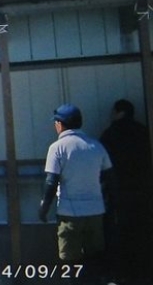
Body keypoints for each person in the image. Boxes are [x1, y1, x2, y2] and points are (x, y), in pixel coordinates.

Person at [39, 104, 115, 281]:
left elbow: (51, 182)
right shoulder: (96, 146)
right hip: (96, 211)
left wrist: (44, 207)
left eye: (56, 123)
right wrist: (112, 206)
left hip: (70, 213)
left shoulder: (57, 147)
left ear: (60, 124)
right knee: (95, 256)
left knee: (70, 259)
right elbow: (111, 178)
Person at [99, 99, 153, 281]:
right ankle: (144, 271)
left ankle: (124, 273)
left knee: (121, 233)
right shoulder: (144, 131)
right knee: (143, 230)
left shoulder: (110, 134)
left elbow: (103, 165)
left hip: (120, 191)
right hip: (144, 189)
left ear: (119, 112)